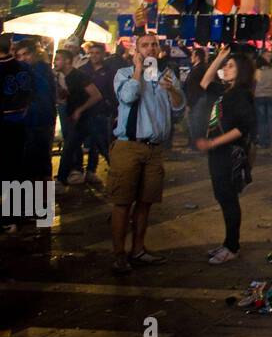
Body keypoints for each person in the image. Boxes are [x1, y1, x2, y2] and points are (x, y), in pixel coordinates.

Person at [110, 31, 185, 275]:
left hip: (154, 149)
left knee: (145, 202)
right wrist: (138, 71)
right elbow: (128, 97)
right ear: (136, 50)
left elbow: (179, 106)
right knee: (122, 202)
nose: (151, 49)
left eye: (154, 45)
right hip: (129, 146)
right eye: (145, 45)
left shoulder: (167, 75)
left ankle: (138, 250)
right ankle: (119, 254)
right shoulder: (123, 74)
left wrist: (172, 90)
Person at [193, 45, 255, 264]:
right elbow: (204, 83)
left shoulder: (241, 95)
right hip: (218, 153)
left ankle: (232, 246)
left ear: (242, 70)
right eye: (225, 66)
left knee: (228, 198)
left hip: (230, 154)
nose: (225, 69)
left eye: (230, 66)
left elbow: (242, 128)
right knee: (222, 196)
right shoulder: (224, 91)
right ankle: (227, 243)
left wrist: (213, 142)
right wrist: (219, 58)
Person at [0, 35, 35, 192]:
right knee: (16, 161)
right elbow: (32, 91)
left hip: (1, 122)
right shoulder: (24, 67)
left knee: (3, 162)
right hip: (21, 119)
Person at [55, 48, 104, 186]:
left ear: (67, 61)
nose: (55, 62)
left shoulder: (78, 76)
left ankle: (62, 179)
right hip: (79, 120)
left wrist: (79, 110)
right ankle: (64, 178)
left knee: (100, 146)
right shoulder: (65, 77)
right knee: (71, 147)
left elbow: (96, 95)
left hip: (88, 118)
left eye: (58, 59)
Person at [13, 40, 56, 184]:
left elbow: (44, 96)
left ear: (34, 54)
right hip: (32, 122)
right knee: (35, 162)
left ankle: (41, 198)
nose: (23, 58)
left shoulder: (40, 70)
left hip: (41, 121)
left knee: (40, 162)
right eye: (19, 56)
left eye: (26, 54)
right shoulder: (29, 71)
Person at [253, 48, 272, 152]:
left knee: (262, 120)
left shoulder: (257, 72)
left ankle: (263, 142)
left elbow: (254, 84)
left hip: (259, 97)